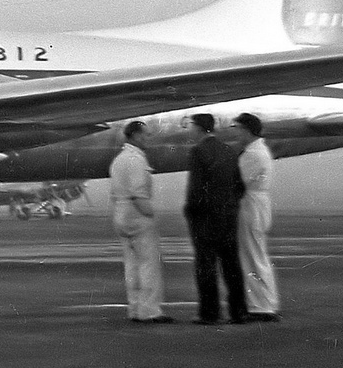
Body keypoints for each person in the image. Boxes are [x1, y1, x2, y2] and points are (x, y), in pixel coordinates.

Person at [183, 114, 248, 325]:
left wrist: (191, 212)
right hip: (228, 216)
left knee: (206, 266)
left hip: (205, 219)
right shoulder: (228, 150)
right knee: (232, 266)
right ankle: (239, 312)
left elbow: (196, 189)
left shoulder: (198, 151)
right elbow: (240, 186)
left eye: (190, 126)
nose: (189, 130)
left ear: (198, 128)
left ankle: (210, 313)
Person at [110, 120, 170, 323]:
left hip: (120, 211)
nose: (148, 139)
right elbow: (138, 193)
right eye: (145, 135)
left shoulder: (118, 159)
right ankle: (149, 311)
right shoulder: (136, 159)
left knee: (131, 265)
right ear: (135, 135)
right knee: (148, 264)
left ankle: (135, 308)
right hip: (136, 212)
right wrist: (150, 214)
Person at [233, 113, 279, 320]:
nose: (236, 133)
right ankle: (264, 302)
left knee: (252, 256)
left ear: (247, 130)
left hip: (251, 205)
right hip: (256, 204)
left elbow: (238, 181)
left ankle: (261, 306)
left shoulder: (253, 154)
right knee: (255, 255)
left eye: (239, 129)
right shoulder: (258, 150)